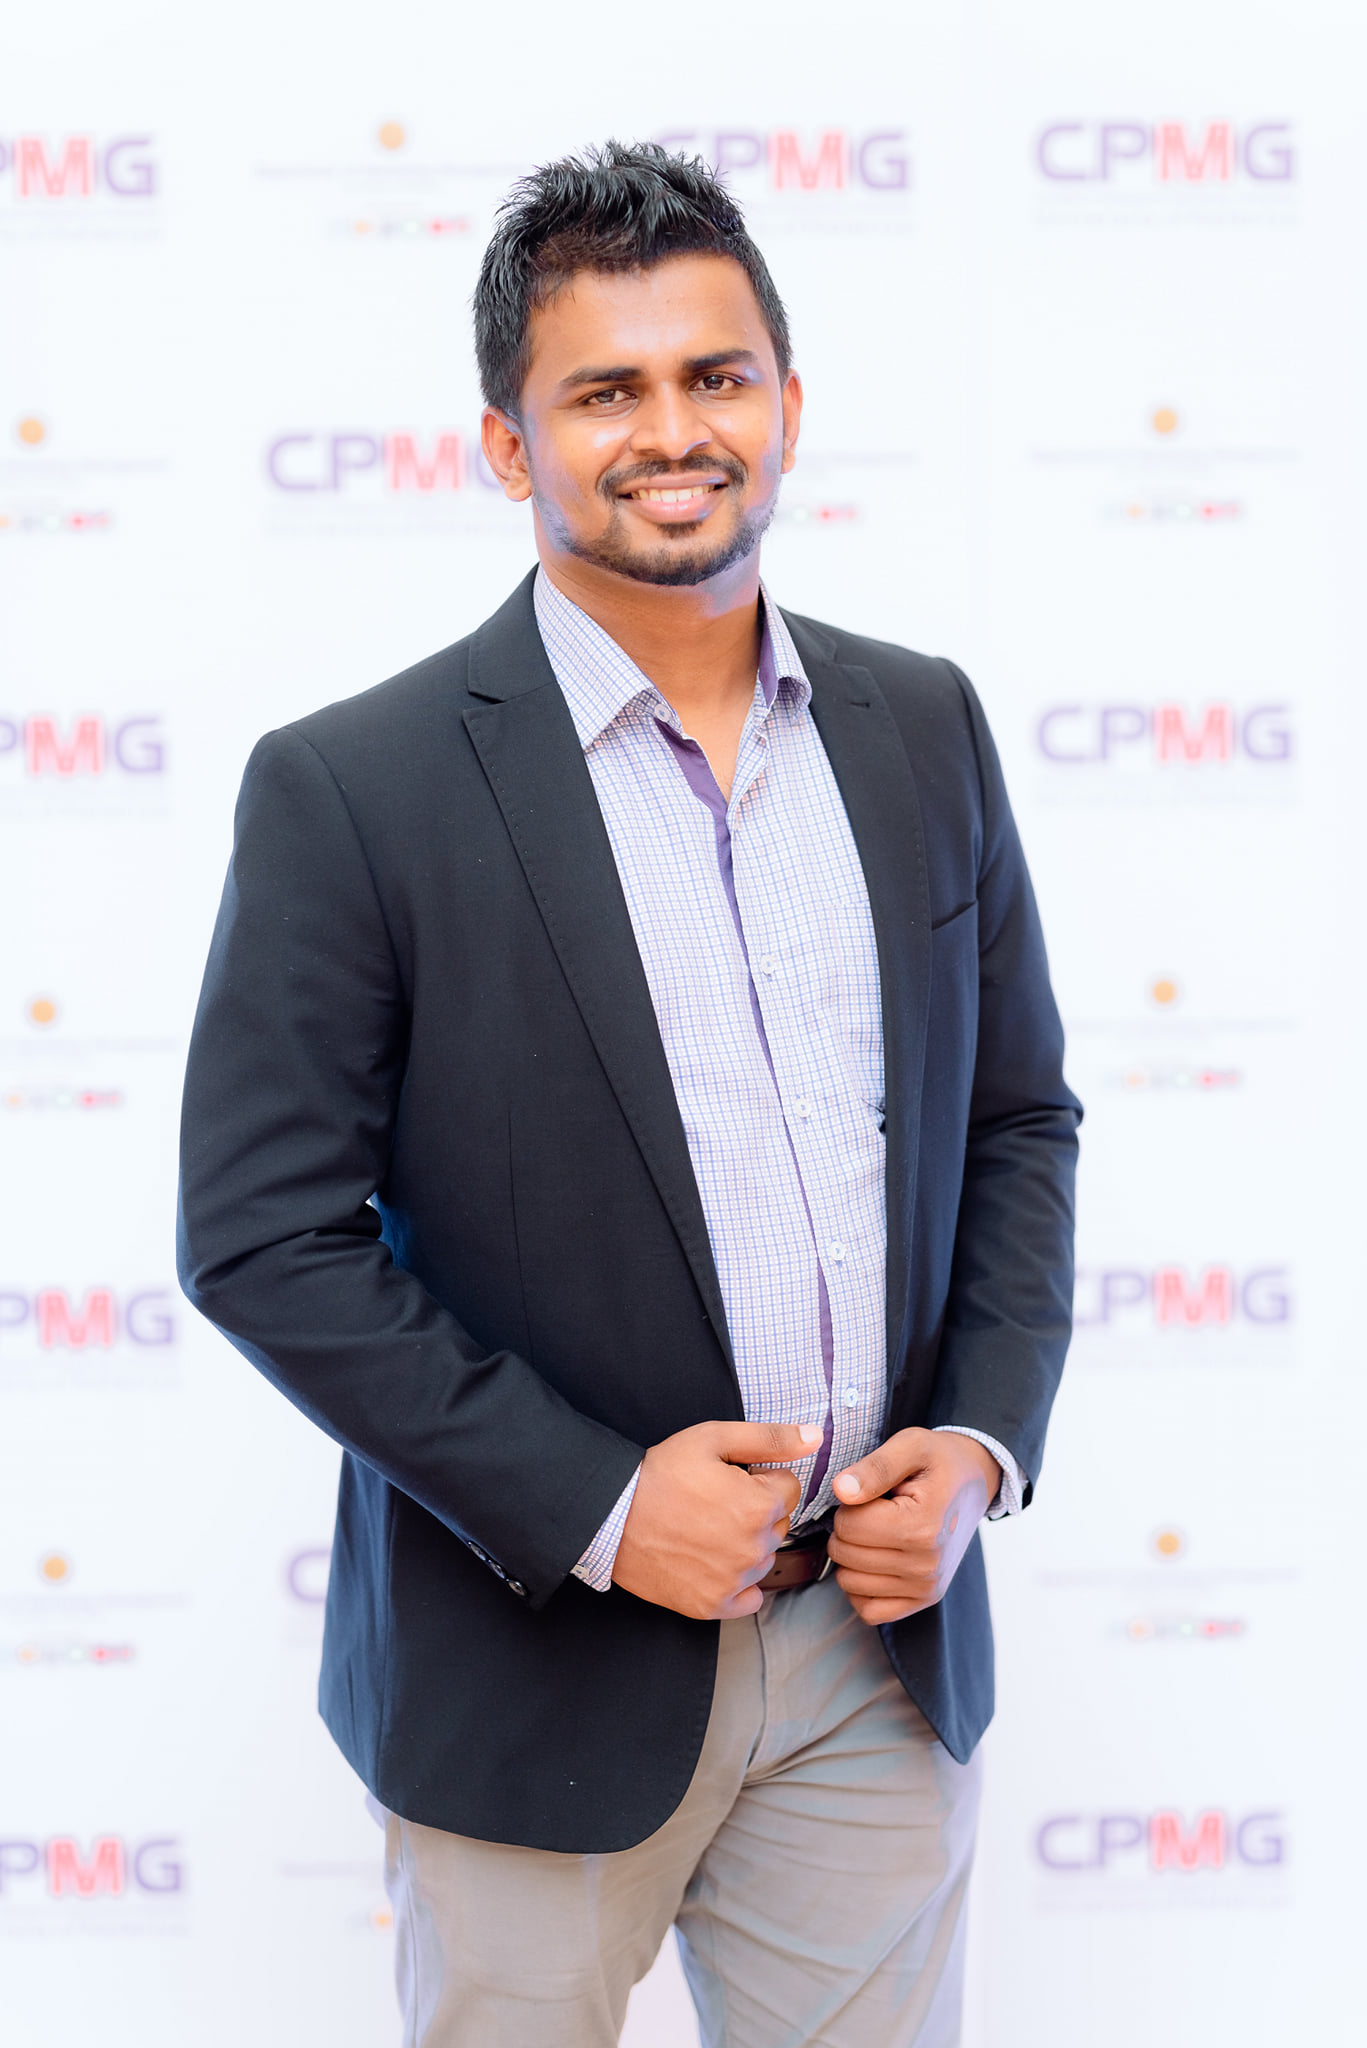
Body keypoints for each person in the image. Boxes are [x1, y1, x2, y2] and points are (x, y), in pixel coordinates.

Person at [178, 141, 1080, 2048]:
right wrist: (597, 1504)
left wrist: (982, 1442)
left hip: (881, 1654)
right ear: (505, 445)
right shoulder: (357, 789)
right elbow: (261, 1239)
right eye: (606, 391)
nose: (674, 432)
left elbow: (1016, 1120)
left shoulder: (924, 724)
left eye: (715, 376)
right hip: (535, 1675)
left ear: (787, 405)